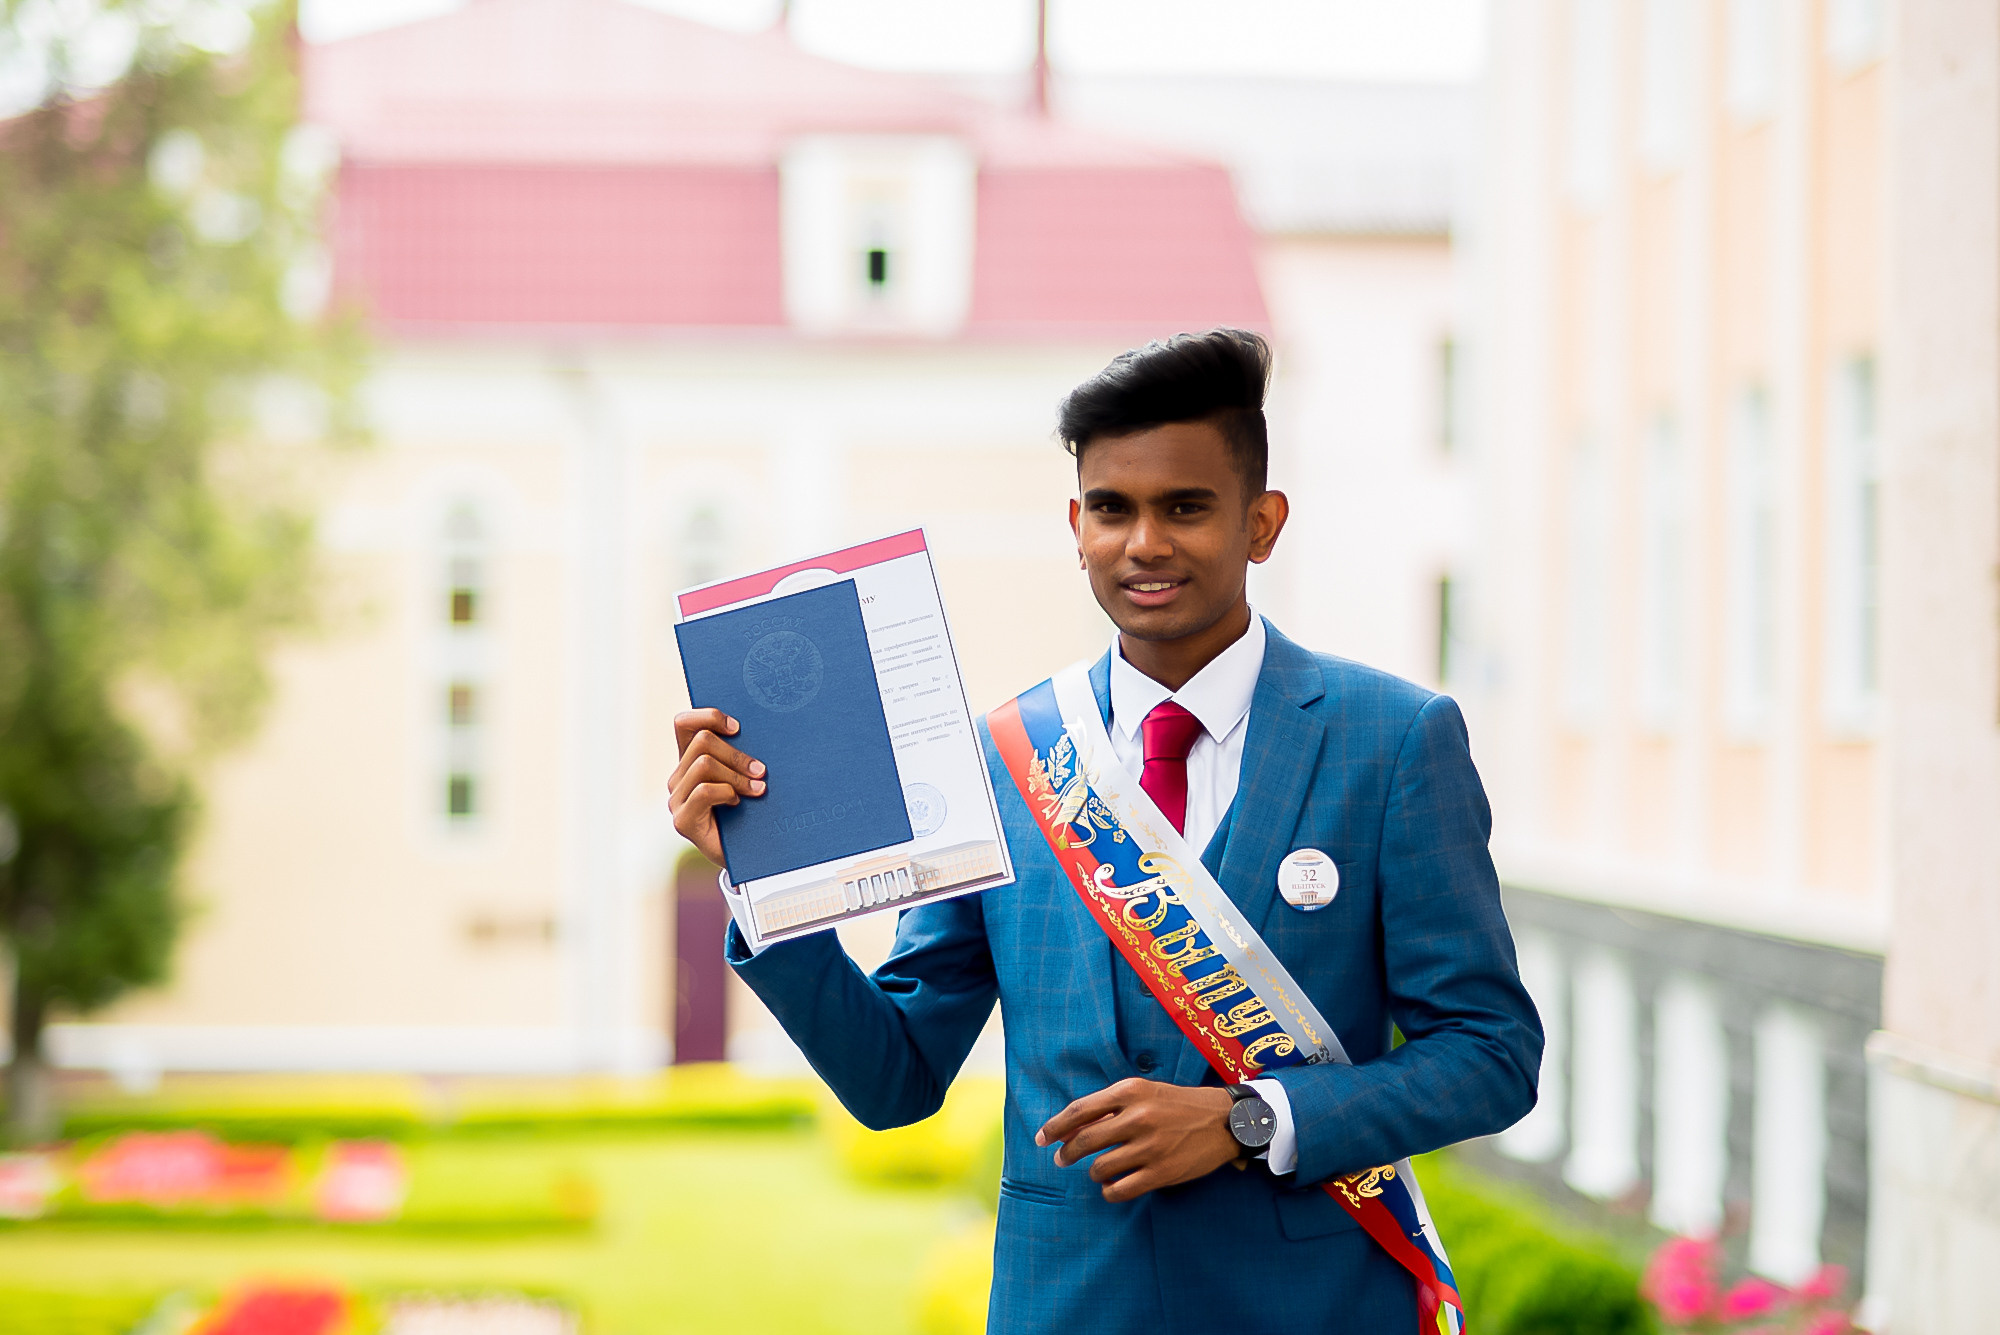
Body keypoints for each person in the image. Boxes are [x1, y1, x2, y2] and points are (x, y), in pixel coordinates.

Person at [669, 328, 1542, 1333]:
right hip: (1069, 1304)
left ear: (1261, 524)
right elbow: (893, 1078)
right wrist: (762, 875)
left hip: (1313, 1305)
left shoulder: (1390, 743)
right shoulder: (1001, 762)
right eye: (1113, 511)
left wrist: (1248, 1120)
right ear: (1074, 525)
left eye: (1185, 509)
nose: (1144, 544)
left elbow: (1488, 1053)